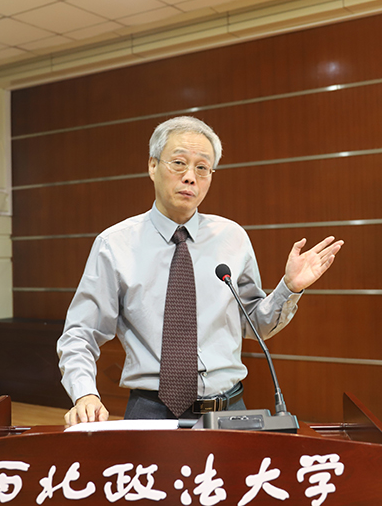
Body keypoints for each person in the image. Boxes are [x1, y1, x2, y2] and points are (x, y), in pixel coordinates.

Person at [57, 116, 343, 427]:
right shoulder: (114, 245)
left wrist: (289, 287)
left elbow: (255, 325)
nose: (190, 177)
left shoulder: (232, 238)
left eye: (202, 168)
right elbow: (81, 334)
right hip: (152, 411)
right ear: (152, 166)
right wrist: (85, 394)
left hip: (229, 410)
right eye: (179, 163)